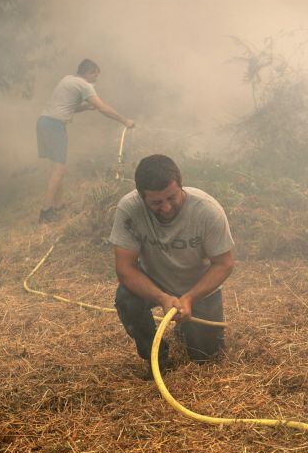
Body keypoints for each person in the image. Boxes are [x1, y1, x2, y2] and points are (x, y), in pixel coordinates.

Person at [109, 154, 235, 378]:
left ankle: (186, 331)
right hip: (155, 280)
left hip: (197, 285)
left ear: (180, 185)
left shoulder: (207, 211)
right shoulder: (129, 209)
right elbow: (125, 269)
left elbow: (224, 264)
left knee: (206, 357)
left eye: (171, 198)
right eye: (156, 202)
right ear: (141, 196)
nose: (166, 208)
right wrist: (162, 298)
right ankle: (155, 356)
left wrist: (189, 297)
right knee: (126, 298)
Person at [36, 59, 135, 222]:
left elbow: (66, 107)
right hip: (55, 126)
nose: (96, 78)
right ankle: (46, 212)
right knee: (59, 169)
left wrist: (85, 107)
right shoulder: (85, 86)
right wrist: (125, 121)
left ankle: (58, 205)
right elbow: (102, 107)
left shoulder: (67, 79)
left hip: (44, 122)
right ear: (89, 72)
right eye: (96, 74)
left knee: (55, 168)